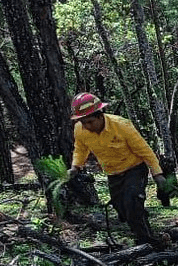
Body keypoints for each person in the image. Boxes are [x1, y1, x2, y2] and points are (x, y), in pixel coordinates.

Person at [67, 92, 170, 248]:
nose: (86, 126)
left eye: (89, 122)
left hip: (134, 168)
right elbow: (80, 149)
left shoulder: (122, 125)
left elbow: (145, 151)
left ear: (100, 115)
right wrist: (75, 167)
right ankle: (139, 222)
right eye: (82, 122)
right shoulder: (80, 130)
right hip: (112, 173)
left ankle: (148, 242)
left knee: (132, 203)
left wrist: (158, 174)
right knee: (121, 209)